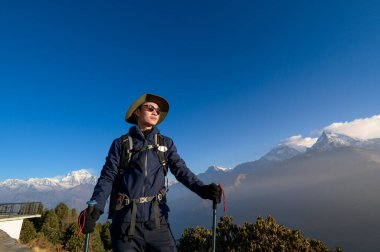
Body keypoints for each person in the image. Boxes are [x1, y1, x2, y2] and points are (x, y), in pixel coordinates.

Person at [80, 93, 222, 252]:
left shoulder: (166, 143)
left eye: (158, 111)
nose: (156, 112)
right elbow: (108, 177)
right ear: (137, 112)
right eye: (150, 108)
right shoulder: (121, 144)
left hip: (157, 223)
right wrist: (96, 207)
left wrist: (202, 189)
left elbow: (180, 169)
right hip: (125, 224)